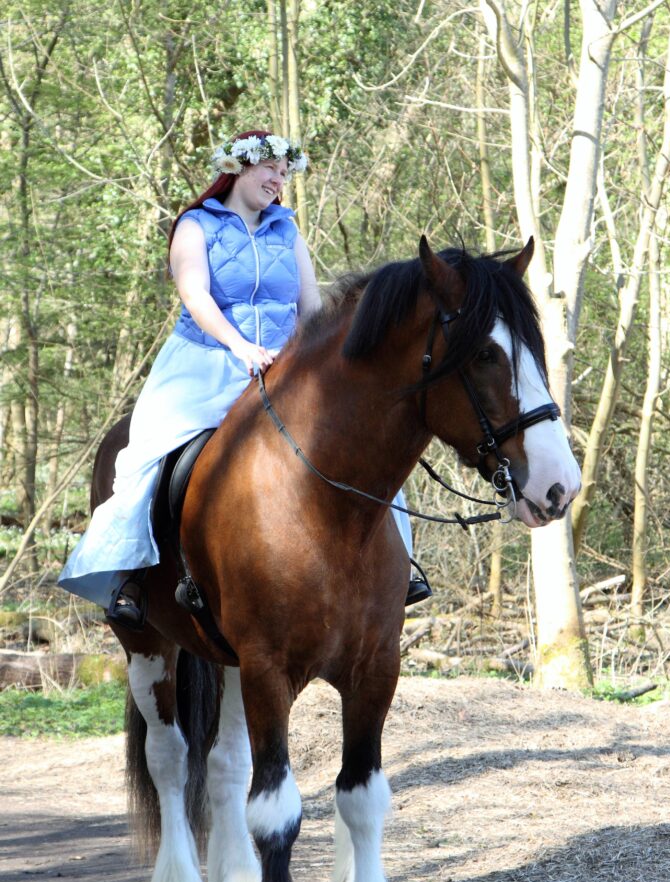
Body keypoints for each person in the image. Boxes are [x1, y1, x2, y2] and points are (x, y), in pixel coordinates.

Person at [58, 130, 429, 629]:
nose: (278, 180)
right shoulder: (196, 225)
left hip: (281, 365)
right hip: (206, 360)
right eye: (270, 169)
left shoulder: (287, 231)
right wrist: (239, 345)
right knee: (148, 451)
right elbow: (195, 295)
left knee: (362, 443)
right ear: (239, 168)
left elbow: (311, 309)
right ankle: (130, 575)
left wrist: (323, 363)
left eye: (284, 173)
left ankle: (400, 568)